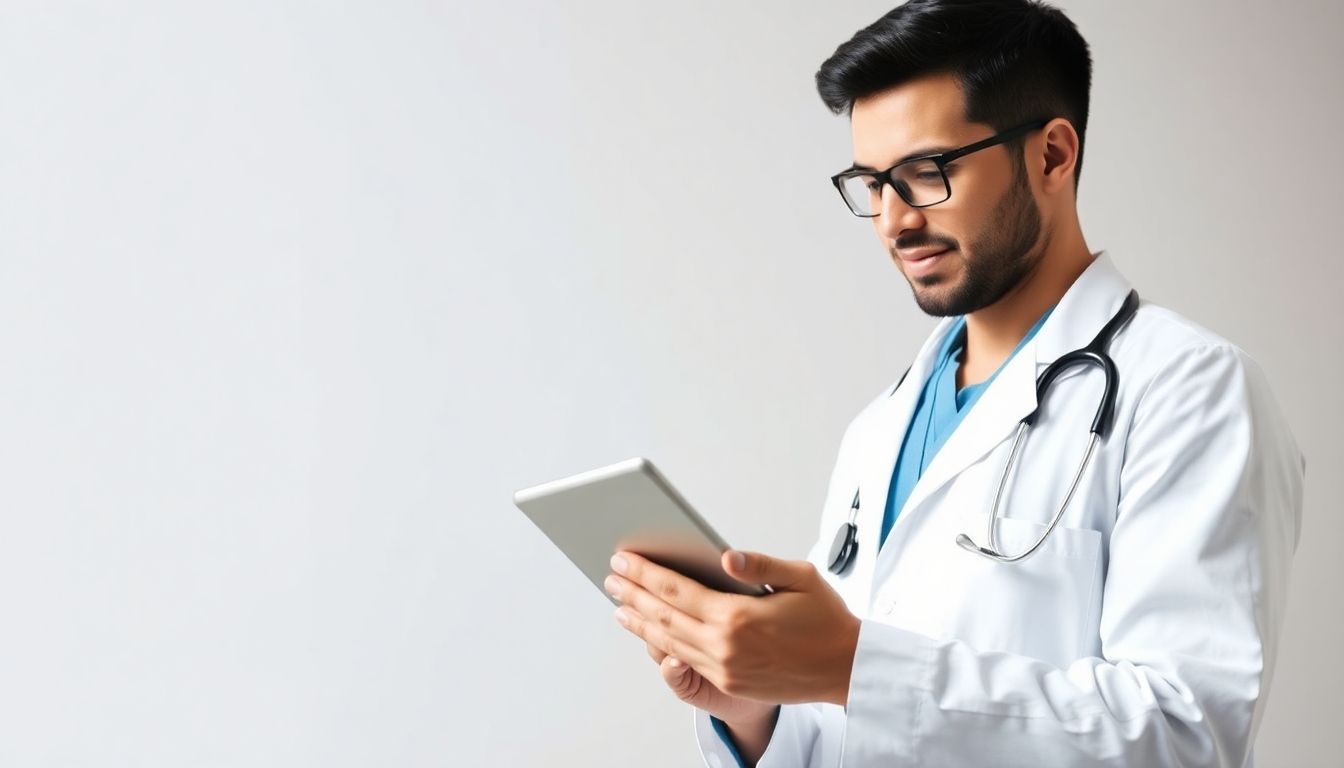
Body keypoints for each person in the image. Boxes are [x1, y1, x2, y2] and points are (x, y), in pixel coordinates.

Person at [603, 1, 1304, 765]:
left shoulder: (1187, 390)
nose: (894, 220)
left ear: (1052, 156)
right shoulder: (882, 428)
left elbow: (1184, 735)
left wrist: (851, 665)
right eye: (871, 183)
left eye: (926, 173)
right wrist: (755, 709)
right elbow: (851, 725)